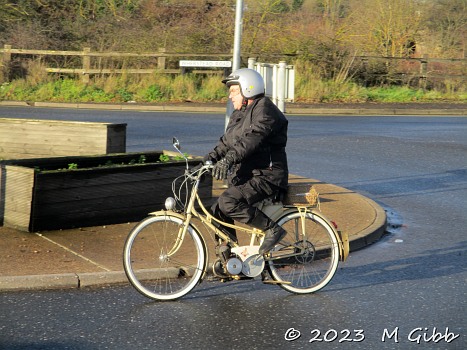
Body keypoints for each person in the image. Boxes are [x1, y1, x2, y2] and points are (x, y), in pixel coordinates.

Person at [203, 68, 289, 256]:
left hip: (267, 175)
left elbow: (253, 138)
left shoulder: (265, 110)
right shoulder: (240, 114)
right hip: (250, 175)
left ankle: (273, 230)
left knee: (228, 201)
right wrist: (206, 162)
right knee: (215, 210)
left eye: (233, 90)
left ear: (248, 89)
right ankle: (229, 258)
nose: (230, 96)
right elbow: (227, 142)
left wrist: (229, 160)